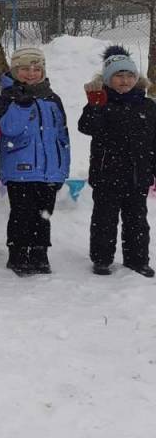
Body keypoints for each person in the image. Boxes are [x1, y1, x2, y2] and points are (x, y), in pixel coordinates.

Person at [79, 46, 156, 277]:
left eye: (130, 75)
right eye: (119, 76)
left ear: (137, 78)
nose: (125, 81)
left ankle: (138, 259)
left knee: (137, 221)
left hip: (137, 175)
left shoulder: (147, 106)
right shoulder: (101, 102)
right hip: (106, 175)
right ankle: (102, 259)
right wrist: (94, 105)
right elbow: (86, 127)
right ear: (108, 79)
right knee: (104, 220)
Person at [0, 47, 70, 275]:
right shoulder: (7, 98)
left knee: (43, 215)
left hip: (49, 172)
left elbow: (62, 137)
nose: (31, 73)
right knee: (21, 214)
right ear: (15, 70)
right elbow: (9, 130)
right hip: (20, 170)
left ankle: (39, 253)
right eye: (25, 69)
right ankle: (17, 253)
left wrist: (62, 169)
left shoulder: (52, 98)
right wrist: (22, 104)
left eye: (37, 69)